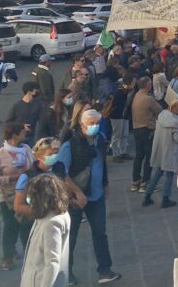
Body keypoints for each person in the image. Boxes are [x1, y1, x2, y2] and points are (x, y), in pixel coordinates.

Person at [59, 108, 119, 284]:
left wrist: (105, 184)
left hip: (97, 195)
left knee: (100, 233)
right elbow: (62, 173)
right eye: (90, 124)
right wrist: (77, 192)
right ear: (82, 124)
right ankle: (66, 273)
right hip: (75, 198)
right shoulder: (70, 145)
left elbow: (102, 164)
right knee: (71, 237)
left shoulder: (100, 140)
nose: (94, 127)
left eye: (96, 124)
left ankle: (105, 270)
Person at [19, 173, 70, 287]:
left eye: (31, 196)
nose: (29, 200)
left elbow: (52, 263)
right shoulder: (52, 214)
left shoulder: (51, 223)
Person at [0, 121, 33, 270]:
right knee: (10, 226)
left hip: (27, 193)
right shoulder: (0, 155)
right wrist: (16, 177)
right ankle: (8, 257)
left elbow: (34, 165)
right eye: (22, 132)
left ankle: (30, 256)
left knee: (26, 225)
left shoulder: (26, 149)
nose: (25, 134)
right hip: (7, 196)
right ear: (15, 135)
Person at [143, 98, 178, 208]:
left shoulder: (162, 115)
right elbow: (177, 138)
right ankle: (165, 198)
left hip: (160, 149)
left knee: (158, 173)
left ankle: (147, 196)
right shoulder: (176, 121)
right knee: (169, 174)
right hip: (170, 151)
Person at [130, 76, 161, 193]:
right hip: (147, 129)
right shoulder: (148, 99)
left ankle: (135, 180)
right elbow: (159, 110)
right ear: (147, 85)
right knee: (149, 157)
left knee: (139, 156)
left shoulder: (136, 96)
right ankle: (145, 182)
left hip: (136, 128)